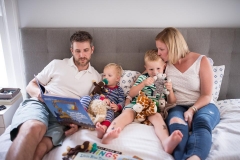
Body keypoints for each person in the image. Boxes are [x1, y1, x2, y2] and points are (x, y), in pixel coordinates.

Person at [6, 31, 102, 160]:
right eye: (78, 51)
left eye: (85, 50)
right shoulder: (57, 64)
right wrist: (41, 95)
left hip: (63, 118)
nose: (82, 55)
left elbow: (88, 106)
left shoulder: (96, 77)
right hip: (41, 105)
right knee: (34, 127)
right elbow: (30, 86)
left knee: (42, 147)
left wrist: (76, 124)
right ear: (71, 50)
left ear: (92, 50)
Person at [155, 27, 220, 160]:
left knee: (202, 122)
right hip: (177, 106)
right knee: (177, 125)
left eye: (161, 49)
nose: (158, 53)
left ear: (173, 47)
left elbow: (207, 95)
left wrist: (192, 109)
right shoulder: (164, 64)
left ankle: (194, 158)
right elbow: (154, 84)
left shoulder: (201, 61)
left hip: (204, 105)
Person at [101, 49, 183, 155]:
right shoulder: (143, 78)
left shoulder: (166, 81)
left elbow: (172, 102)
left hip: (152, 108)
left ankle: (166, 141)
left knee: (157, 118)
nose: (155, 72)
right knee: (126, 114)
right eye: (151, 69)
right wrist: (143, 84)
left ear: (164, 66)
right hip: (136, 104)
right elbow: (131, 93)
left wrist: (170, 90)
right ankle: (110, 132)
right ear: (146, 68)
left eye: (158, 68)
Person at [92, 63, 125, 140]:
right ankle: (83, 115)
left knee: (111, 113)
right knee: (86, 98)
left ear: (117, 78)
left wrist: (117, 107)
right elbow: (94, 95)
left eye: (109, 76)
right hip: (98, 105)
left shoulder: (119, 90)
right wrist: (102, 99)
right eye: (104, 75)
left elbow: (122, 102)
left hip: (109, 108)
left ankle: (103, 128)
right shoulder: (101, 87)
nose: (105, 78)